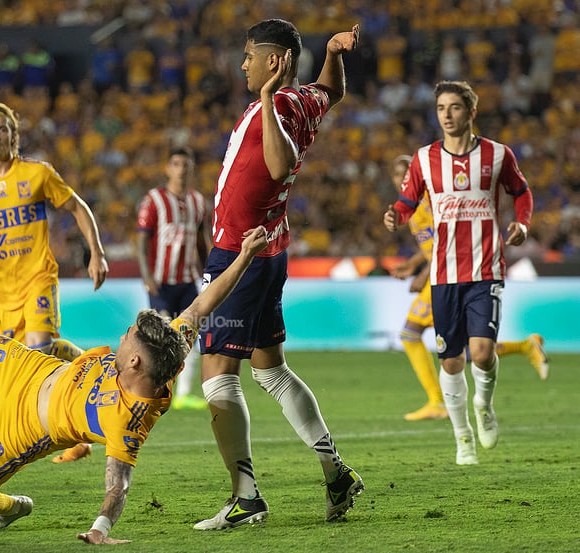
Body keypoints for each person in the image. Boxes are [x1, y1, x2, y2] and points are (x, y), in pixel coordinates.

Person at [0, 226, 270, 544]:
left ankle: (10, 508)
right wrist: (245, 255)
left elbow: (118, 486)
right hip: (35, 370)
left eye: (128, 338)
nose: (123, 337)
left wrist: (100, 528)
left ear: (135, 362)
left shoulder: (127, 420)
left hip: (25, 427)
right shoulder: (169, 344)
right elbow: (203, 304)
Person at [194, 19, 363, 530]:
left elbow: (278, 162)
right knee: (269, 370)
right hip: (269, 248)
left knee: (218, 378)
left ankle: (245, 497)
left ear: (274, 62)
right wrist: (334, 52)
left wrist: (266, 100)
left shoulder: (280, 106)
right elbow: (331, 90)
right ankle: (335, 472)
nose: (243, 64)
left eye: (250, 56)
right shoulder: (305, 98)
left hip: (242, 257)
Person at [0, 101, 109, 465]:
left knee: (38, 350)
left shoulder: (37, 173)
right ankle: (90, 368)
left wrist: (96, 252)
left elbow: (77, 207)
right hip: (2, 292)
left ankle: (71, 422)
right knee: (26, 368)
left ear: (14, 135)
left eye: (3, 129)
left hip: (38, 278)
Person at [384, 81, 535, 465]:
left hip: (486, 269)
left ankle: (483, 406)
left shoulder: (498, 155)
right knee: (451, 361)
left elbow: (522, 192)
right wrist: (395, 216)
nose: (446, 115)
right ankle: (461, 436)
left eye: (454, 107)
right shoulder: (424, 159)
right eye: (440, 108)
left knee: (481, 353)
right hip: (444, 275)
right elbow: (407, 201)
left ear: (471, 112)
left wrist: (523, 224)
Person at [387, 155, 550, 422]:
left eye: (406, 174)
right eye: (397, 175)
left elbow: (446, 241)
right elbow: (429, 245)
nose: (402, 180)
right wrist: (412, 264)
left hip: (449, 276)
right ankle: (525, 346)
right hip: (440, 274)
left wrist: (423, 275)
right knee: (468, 350)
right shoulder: (411, 207)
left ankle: (437, 401)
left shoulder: (430, 202)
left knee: (411, 333)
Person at [136, 146, 211, 410]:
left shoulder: (198, 202)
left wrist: (210, 273)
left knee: (190, 336)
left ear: (191, 169)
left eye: (185, 164)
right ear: (168, 168)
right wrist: (146, 276)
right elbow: (142, 240)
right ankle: (152, 389)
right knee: (161, 338)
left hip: (188, 281)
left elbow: (203, 242)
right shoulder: (153, 200)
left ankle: (183, 394)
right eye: (176, 163)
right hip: (160, 281)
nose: (181, 169)